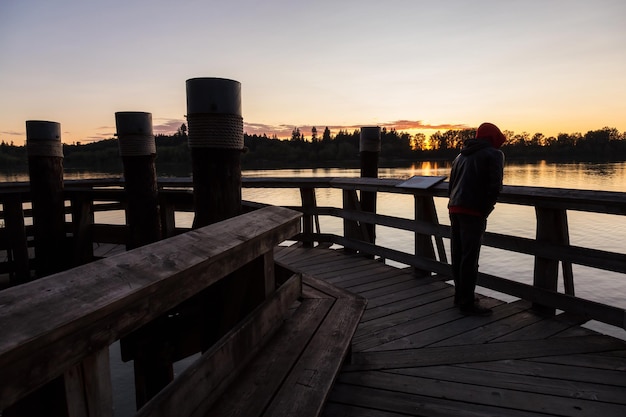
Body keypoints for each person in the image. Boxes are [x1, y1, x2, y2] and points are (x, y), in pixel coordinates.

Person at [448, 122, 506, 316]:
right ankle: (468, 302)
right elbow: (495, 186)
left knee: (458, 254)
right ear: (494, 138)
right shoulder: (494, 154)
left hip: (454, 208)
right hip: (473, 211)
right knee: (470, 258)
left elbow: (451, 186)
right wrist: (486, 210)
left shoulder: (460, 155)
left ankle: (459, 295)